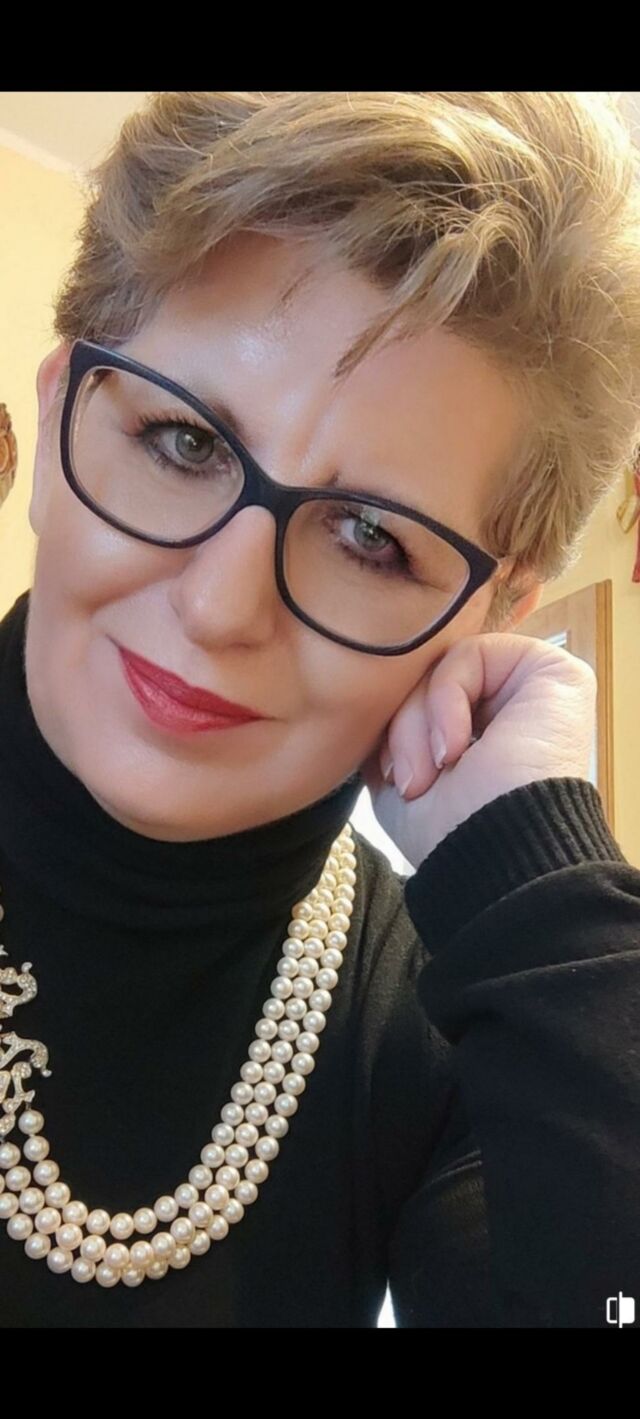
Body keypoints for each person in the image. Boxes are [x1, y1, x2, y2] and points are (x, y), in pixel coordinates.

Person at [1, 91, 639, 1328]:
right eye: (182, 441)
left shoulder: (448, 1035)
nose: (220, 606)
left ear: (490, 612)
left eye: (369, 538)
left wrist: (546, 894)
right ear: (63, 398)